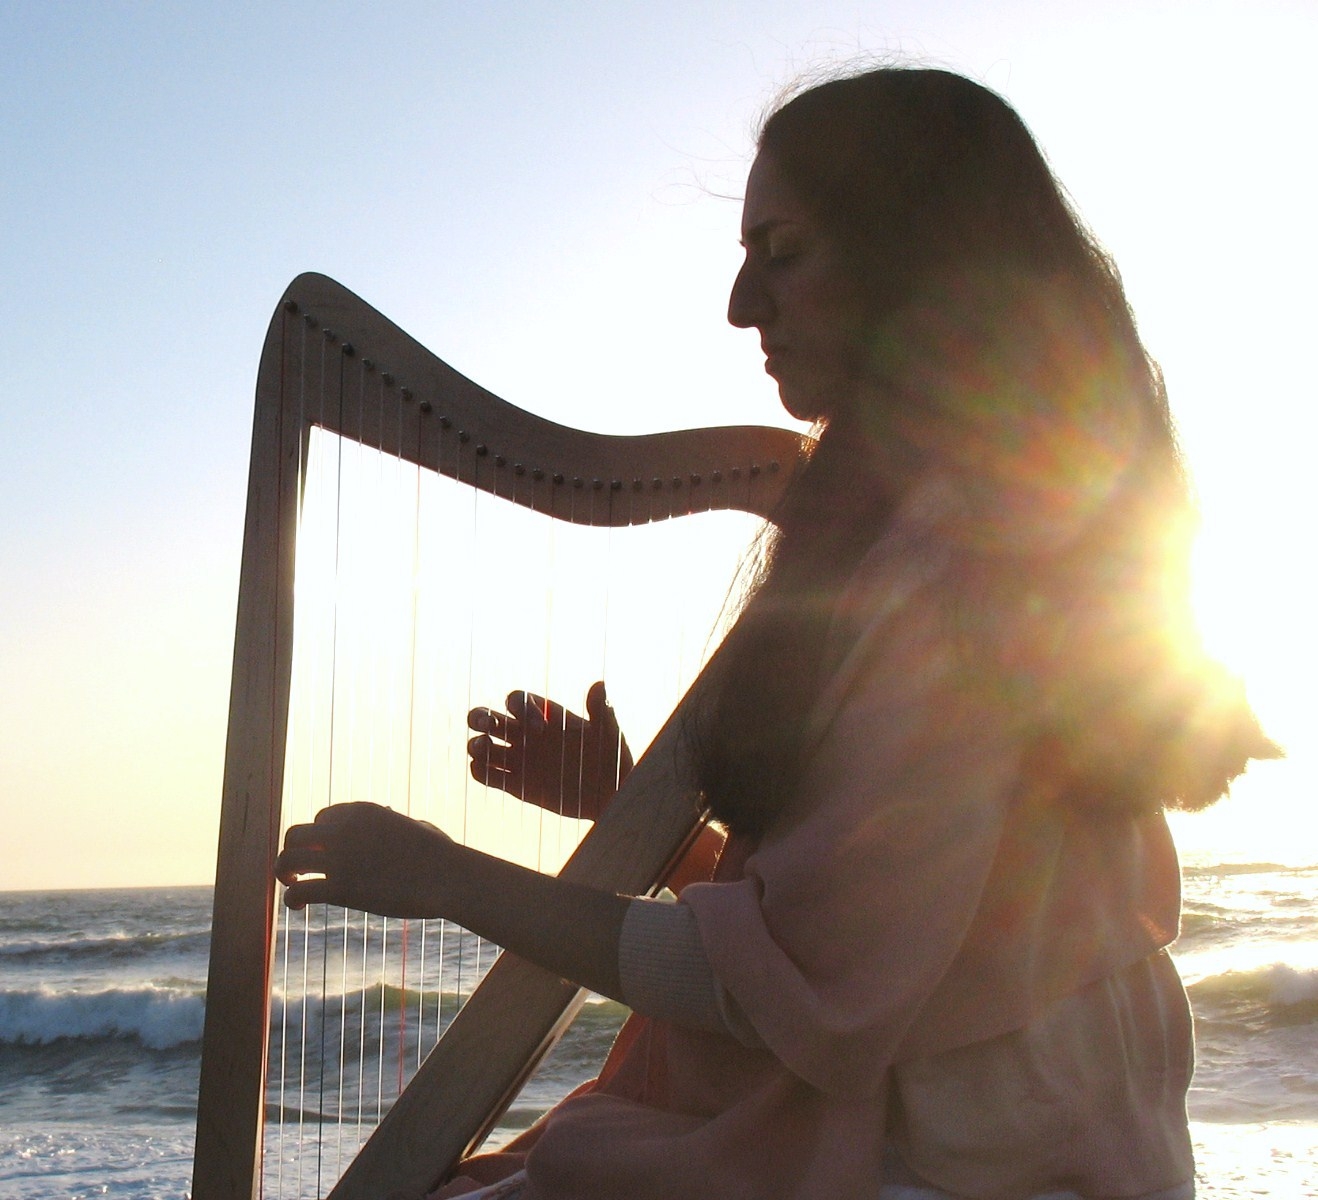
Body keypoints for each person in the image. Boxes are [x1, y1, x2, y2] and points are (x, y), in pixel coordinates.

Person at [275, 66, 1278, 1199]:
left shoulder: (965, 573)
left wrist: (440, 877)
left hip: (974, 1155)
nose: (741, 306)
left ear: (919, 254)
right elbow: (879, 939)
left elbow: (794, 991)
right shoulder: (965, 524)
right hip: (967, 1112)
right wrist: (624, 809)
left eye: (783, 251)